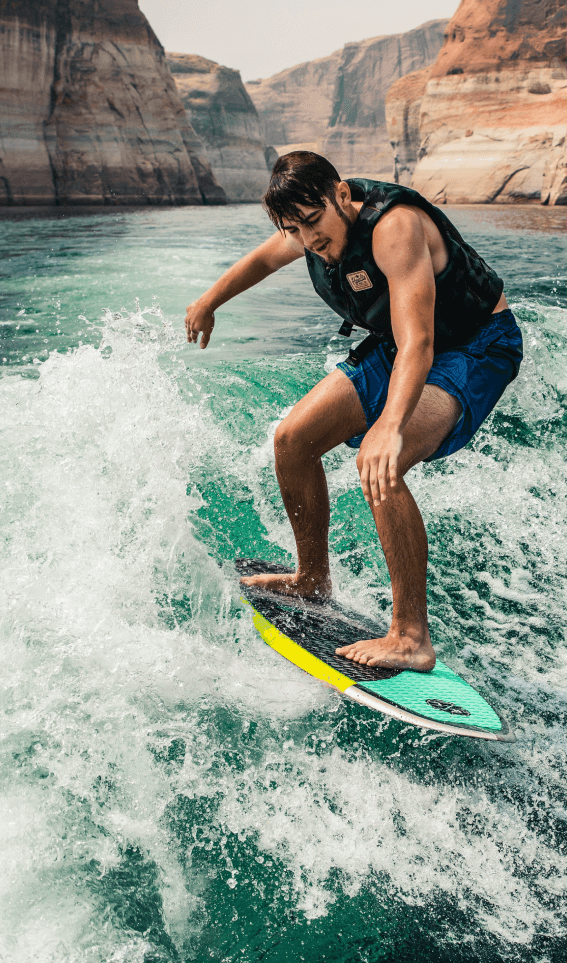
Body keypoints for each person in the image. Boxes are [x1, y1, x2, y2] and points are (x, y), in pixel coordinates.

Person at [184, 151, 522, 672]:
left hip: (474, 345)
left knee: (380, 458)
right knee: (292, 440)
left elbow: (420, 340)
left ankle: (411, 636)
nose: (310, 240)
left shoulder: (395, 227)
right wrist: (209, 300)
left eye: (314, 222)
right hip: (398, 341)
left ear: (342, 196)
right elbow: (263, 259)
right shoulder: (307, 228)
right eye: (295, 229)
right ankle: (311, 579)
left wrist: (388, 425)